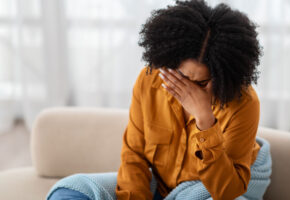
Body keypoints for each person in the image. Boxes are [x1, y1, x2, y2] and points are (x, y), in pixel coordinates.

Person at [47, 0, 271, 200]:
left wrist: (205, 120)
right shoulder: (150, 81)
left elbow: (227, 191)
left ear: (224, 75)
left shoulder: (244, 102)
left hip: (210, 191)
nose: (187, 90)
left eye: (201, 83)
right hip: (158, 184)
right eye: (180, 77)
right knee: (68, 193)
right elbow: (134, 156)